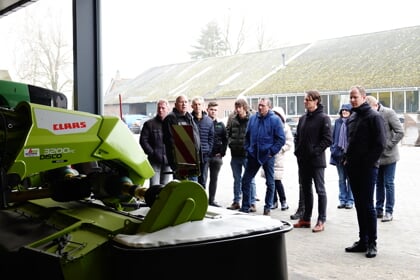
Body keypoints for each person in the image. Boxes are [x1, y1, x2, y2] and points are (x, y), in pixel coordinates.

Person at [344, 85, 386, 258]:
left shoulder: (374, 117)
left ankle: (372, 243)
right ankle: (363, 240)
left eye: (355, 97)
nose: (353, 100)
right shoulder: (353, 117)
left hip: (367, 169)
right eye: (350, 97)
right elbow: (351, 141)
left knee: (368, 206)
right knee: (359, 205)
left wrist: (368, 163)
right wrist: (345, 159)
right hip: (353, 168)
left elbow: (380, 144)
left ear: (363, 96)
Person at [293, 90, 332, 233]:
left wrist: (315, 151)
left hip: (316, 161)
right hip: (303, 161)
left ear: (316, 101)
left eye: (308, 100)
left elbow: (328, 139)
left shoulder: (323, 118)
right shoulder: (303, 118)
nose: (305, 102)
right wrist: (297, 151)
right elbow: (297, 136)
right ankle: (306, 218)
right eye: (305, 99)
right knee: (306, 189)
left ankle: (321, 220)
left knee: (320, 190)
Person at [239, 97, 285, 216]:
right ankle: (245, 207)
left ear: (268, 107)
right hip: (253, 155)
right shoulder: (253, 118)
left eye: (263, 105)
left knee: (270, 182)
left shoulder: (275, 120)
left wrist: (271, 152)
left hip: (267, 156)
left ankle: (267, 207)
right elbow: (247, 136)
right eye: (259, 105)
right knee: (246, 180)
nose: (260, 107)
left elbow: (281, 139)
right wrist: (248, 148)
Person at [365, 95, 404, 222]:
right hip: (376, 157)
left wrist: (388, 145)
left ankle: (389, 211)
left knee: (388, 183)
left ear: (375, 105)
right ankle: (379, 209)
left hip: (389, 156)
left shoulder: (388, 113)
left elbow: (400, 132)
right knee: (378, 184)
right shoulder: (369, 115)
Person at [226, 98, 257, 212]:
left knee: (250, 179)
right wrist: (230, 143)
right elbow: (227, 132)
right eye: (236, 107)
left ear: (245, 107)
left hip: (247, 155)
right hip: (235, 154)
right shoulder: (232, 118)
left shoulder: (252, 119)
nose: (238, 110)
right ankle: (236, 201)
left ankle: (252, 202)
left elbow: (255, 134)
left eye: (240, 107)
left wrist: (250, 148)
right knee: (237, 179)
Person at [261, 106, 293, 210]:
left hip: (278, 157)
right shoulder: (268, 124)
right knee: (270, 181)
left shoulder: (285, 127)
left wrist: (281, 149)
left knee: (277, 180)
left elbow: (289, 142)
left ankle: (283, 201)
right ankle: (273, 201)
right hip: (268, 155)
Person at [162, 95, 201, 181]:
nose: (184, 104)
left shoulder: (189, 117)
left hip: (193, 161)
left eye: (186, 102)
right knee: (183, 189)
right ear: (175, 104)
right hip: (181, 163)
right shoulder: (170, 119)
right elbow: (170, 141)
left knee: (194, 187)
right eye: (181, 102)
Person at [140, 99, 172, 186]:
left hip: (168, 161)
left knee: (165, 187)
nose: (160, 110)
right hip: (154, 161)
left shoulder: (172, 124)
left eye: (163, 108)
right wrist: (152, 153)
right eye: (159, 108)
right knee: (154, 186)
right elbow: (143, 141)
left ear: (168, 109)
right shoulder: (149, 124)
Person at [330, 103, 354, 209]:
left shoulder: (353, 122)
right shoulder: (337, 122)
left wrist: (348, 154)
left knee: (350, 179)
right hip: (338, 155)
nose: (344, 112)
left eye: (347, 110)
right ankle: (342, 200)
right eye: (343, 110)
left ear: (350, 112)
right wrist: (333, 148)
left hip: (349, 156)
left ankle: (350, 201)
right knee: (341, 179)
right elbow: (333, 136)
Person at [206, 101, 228, 207]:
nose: (213, 112)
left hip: (216, 157)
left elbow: (225, 139)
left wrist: (222, 152)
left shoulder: (220, 125)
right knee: (203, 179)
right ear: (207, 110)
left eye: (215, 110)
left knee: (214, 179)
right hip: (205, 157)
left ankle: (212, 200)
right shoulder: (204, 122)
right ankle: (202, 199)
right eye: (211, 110)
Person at [191, 96, 214, 188]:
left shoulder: (209, 121)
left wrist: (208, 150)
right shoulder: (189, 119)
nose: (197, 106)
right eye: (195, 104)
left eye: (199, 104)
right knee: (193, 181)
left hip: (205, 155)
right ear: (192, 106)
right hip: (192, 156)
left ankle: (202, 200)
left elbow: (211, 138)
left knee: (203, 181)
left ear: (203, 106)